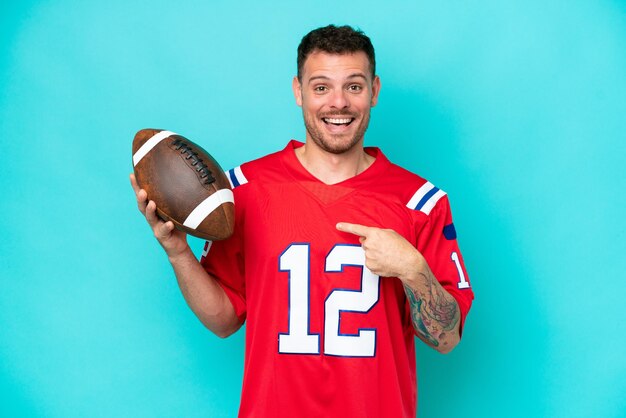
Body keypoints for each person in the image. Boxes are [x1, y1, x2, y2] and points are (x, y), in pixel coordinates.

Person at [131, 24, 474, 418]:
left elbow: (447, 340)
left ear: (375, 91)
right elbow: (224, 320)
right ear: (299, 91)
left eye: (355, 86)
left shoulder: (420, 202)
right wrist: (177, 252)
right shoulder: (244, 189)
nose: (339, 103)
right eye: (322, 87)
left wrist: (414, 270)